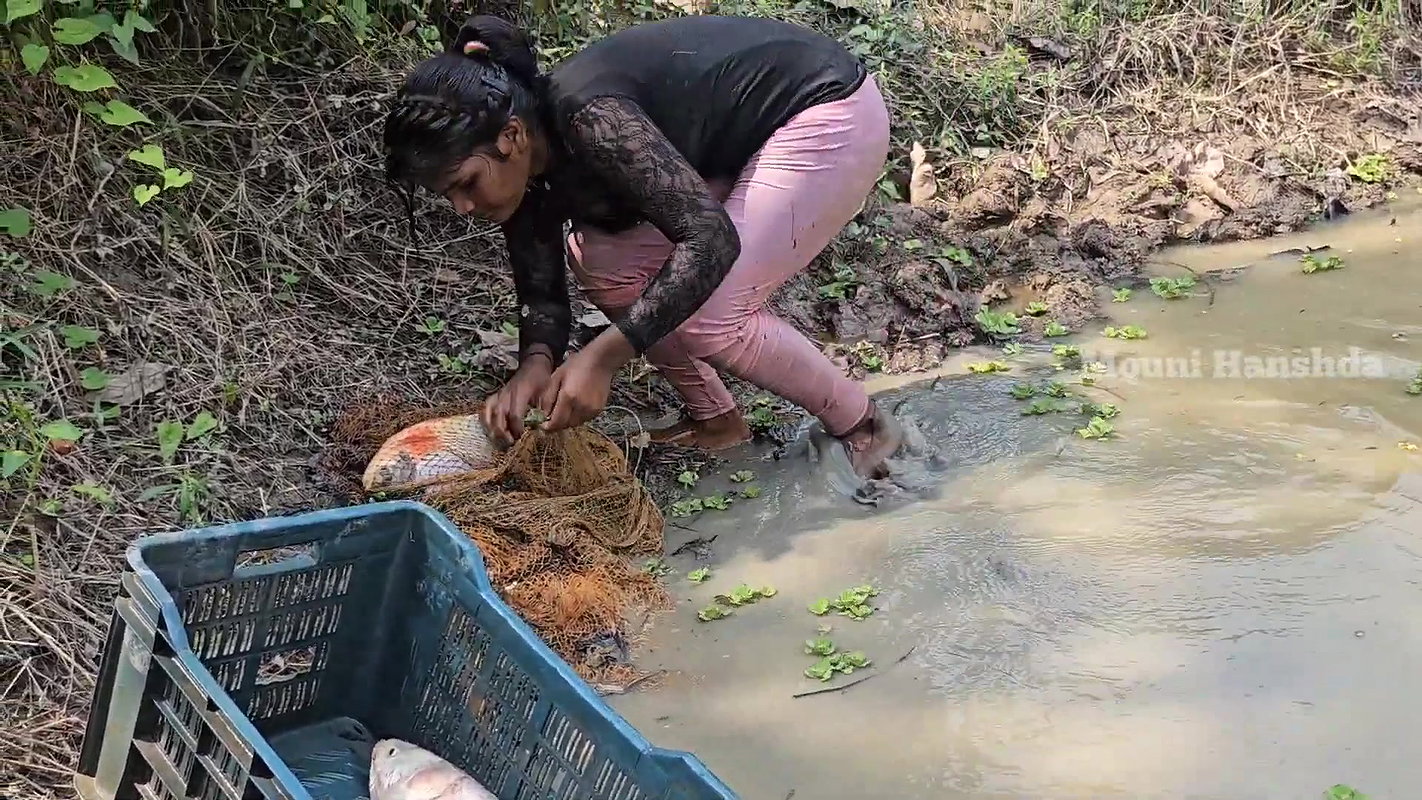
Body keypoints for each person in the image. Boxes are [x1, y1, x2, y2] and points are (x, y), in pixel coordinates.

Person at [382, 13, 904, 478]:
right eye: (448, 195)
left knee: (711, 317)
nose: (463, 207)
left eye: (467, 183)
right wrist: (534, 365)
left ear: (511, 137)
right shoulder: (524, 166)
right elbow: (541, 290)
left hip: (825, 110)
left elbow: (709, 241)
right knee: (601, 262)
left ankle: (867, 429)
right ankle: (716, 420)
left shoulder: (592, 118)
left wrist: (604, 358)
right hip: (730, 150)